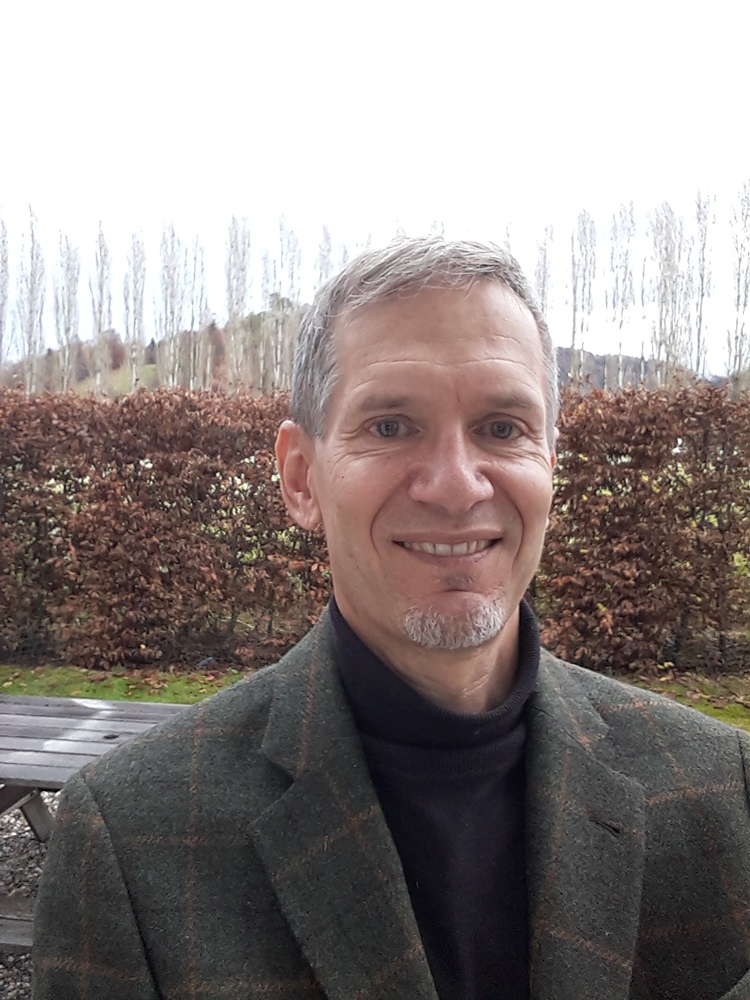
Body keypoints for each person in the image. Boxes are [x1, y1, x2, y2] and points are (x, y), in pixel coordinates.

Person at [34, 238, 750, 1000]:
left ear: (550, 463)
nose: (456, 485)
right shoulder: (132, 841)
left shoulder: (721, 794)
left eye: (503, 427)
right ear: (301, 478)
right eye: (390, 427)